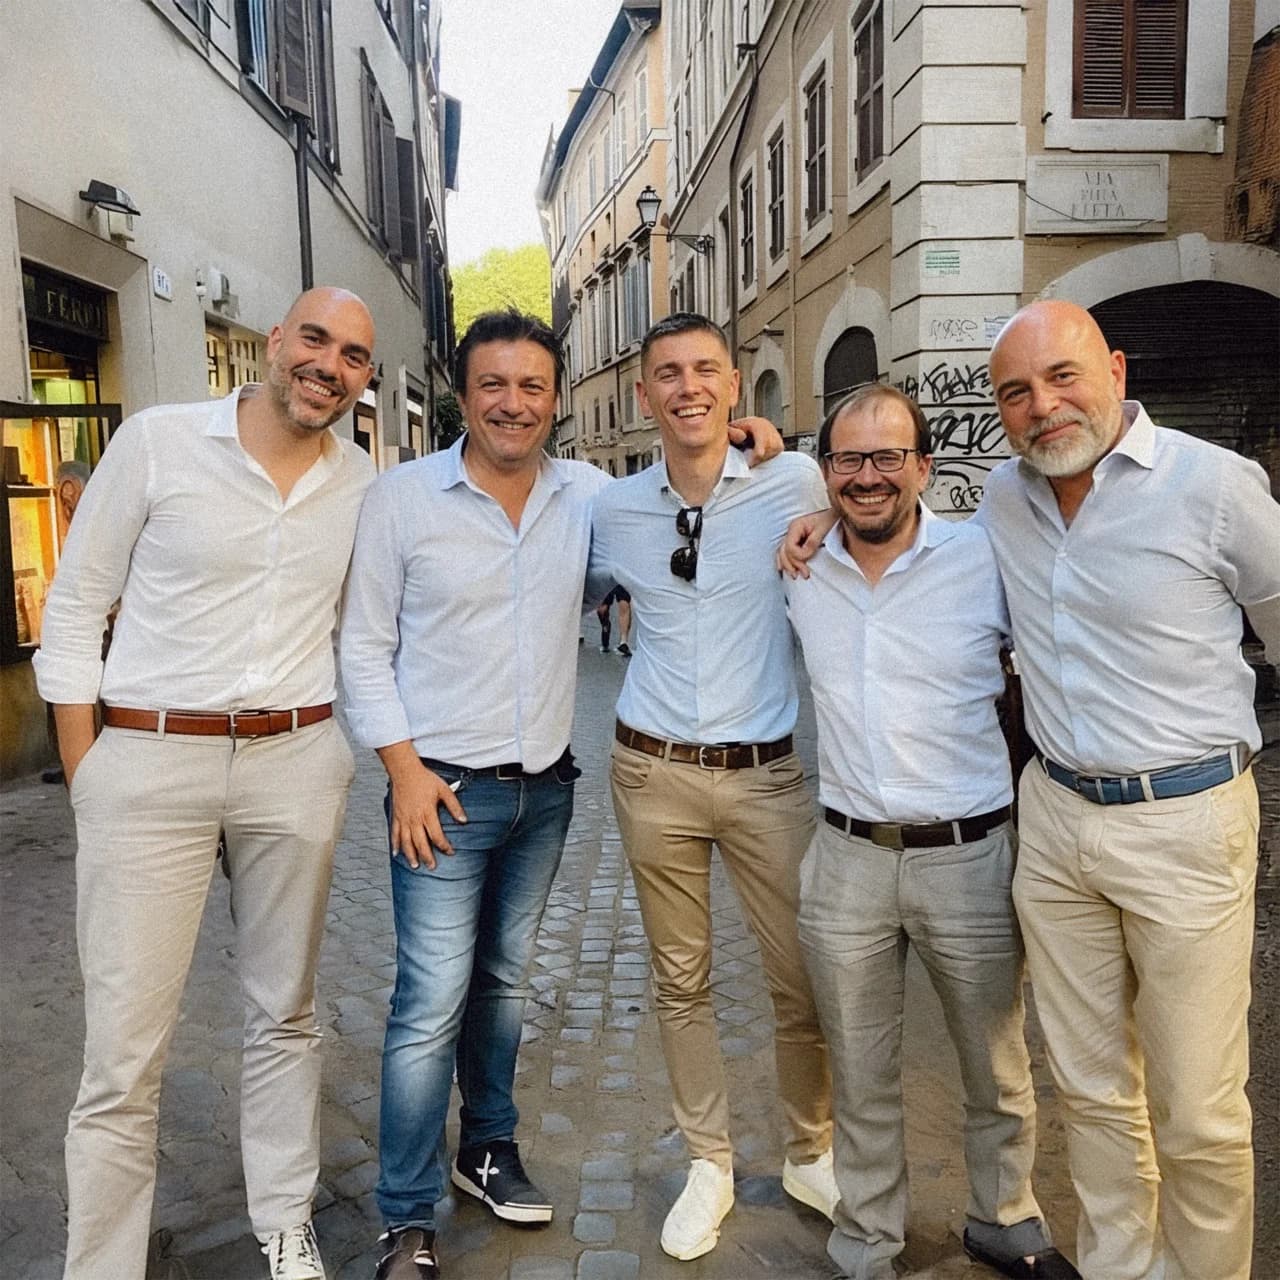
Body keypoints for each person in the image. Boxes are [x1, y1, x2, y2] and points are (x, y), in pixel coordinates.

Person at [338, 309, 783, 1280]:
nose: (513, 402)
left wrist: (756, 442)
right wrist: (403, 772)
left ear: (554, 396)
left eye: (532, 386)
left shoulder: (586, 495)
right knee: (427, 999)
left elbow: (683, 489)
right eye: (493, 384)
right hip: (439, 794)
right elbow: (361, 648)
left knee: (500, 985)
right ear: (463, 393)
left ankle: (485, 1147)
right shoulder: (403, 500)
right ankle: (405, 1216)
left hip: (544, 790)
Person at [34, 288, 379, 1280]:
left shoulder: (361, 483)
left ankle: (283, 1220)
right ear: (274, 341)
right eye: (314, 338)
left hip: (293, 757)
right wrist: (86, 768)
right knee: (123, 1047)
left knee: (286, 1010)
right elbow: (76, 602)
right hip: (147, 757)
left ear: (363, 378)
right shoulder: (156, 442)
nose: (328, 362)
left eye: (353, 354)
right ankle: (99, 1262)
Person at [979, 300, 1280, 1280]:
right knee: (1094, 1095)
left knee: (1195, 1108)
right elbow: (891, 524)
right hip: (1056, 823)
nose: (1041, 406)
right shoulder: (998, 500)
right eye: (1015, 392)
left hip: (1187, 822)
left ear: (1112, 368)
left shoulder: (1213, 486)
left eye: (1061, 375)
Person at [785, 385, 1078, 1280]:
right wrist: (796, 508)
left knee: (996, 1066)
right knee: (862, 1073)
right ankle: (868, 1239)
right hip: (845, 858)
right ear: (825, 469)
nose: (867, 478)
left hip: (970, 856)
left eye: (887, 459)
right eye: (847, 460)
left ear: (923, 466)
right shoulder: (800, 567)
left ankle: (1005, 1220)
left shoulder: (984, 559)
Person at [587, 313, 837, 1263]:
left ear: (734, 386)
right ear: (643, 393)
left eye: (704, 372)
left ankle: (811, 1148)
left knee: (798, 976)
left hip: (766, 775)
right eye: (666, 375)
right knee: (680, 981)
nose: (687, 388)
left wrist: (781, 446)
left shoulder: (796, 481)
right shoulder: (609, 508)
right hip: (650, 772)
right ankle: (710, 1163)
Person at [595, 583, 632, 654]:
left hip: (622, 576)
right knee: (602, 609)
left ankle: (623, 642)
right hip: (606, 575)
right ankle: (605, 625)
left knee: (624, 604)